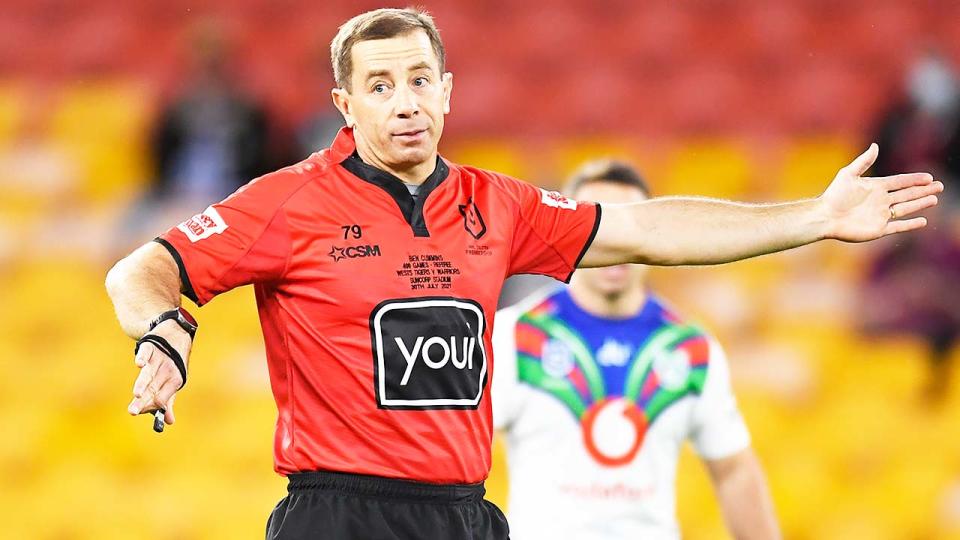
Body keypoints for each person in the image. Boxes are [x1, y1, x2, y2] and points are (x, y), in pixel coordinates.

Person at [104, 8, 942, 540]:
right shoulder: (288, 203)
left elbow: (646, 229)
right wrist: (163, 335)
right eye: (381, 84)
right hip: (339, 512)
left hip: (464, 514)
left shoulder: (495, 205)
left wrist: (813, 219)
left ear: (448, 92)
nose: (405, 101)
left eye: (420, 80)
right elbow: (144, 271)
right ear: (344, 104)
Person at [492, 160, 779, 540]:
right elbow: (451, 454)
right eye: (600, 227)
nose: (617, 243)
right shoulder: (514, 336)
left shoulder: (690, 348)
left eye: (631, 227)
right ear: (567, 235)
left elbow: (735, 470)